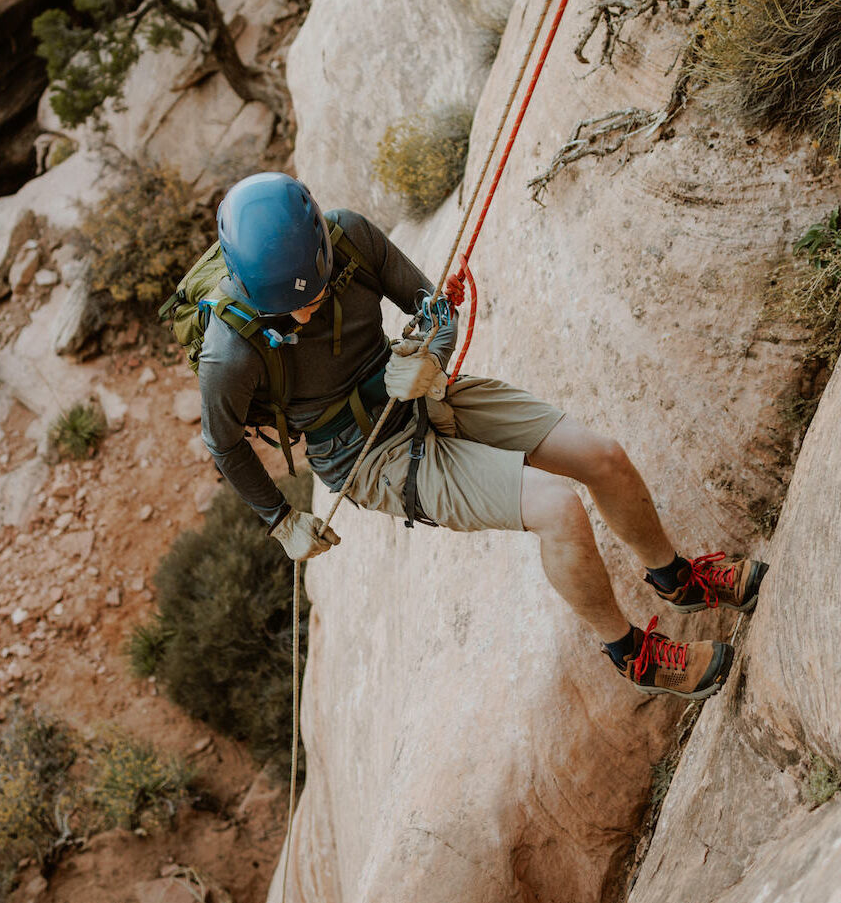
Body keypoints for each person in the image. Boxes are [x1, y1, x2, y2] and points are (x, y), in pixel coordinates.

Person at [197, 172, 768, 699]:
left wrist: (431, 357)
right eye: (293, 308)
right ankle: (632, 655)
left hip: (412, 386)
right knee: (559, 510)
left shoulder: (348, 237)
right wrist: (280, 519)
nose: (311, 307)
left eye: (317, 289)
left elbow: (431, 306)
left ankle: (678, 580)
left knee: (604, 458)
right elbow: (223, 443)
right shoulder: (230, 351)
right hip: (365, 456)